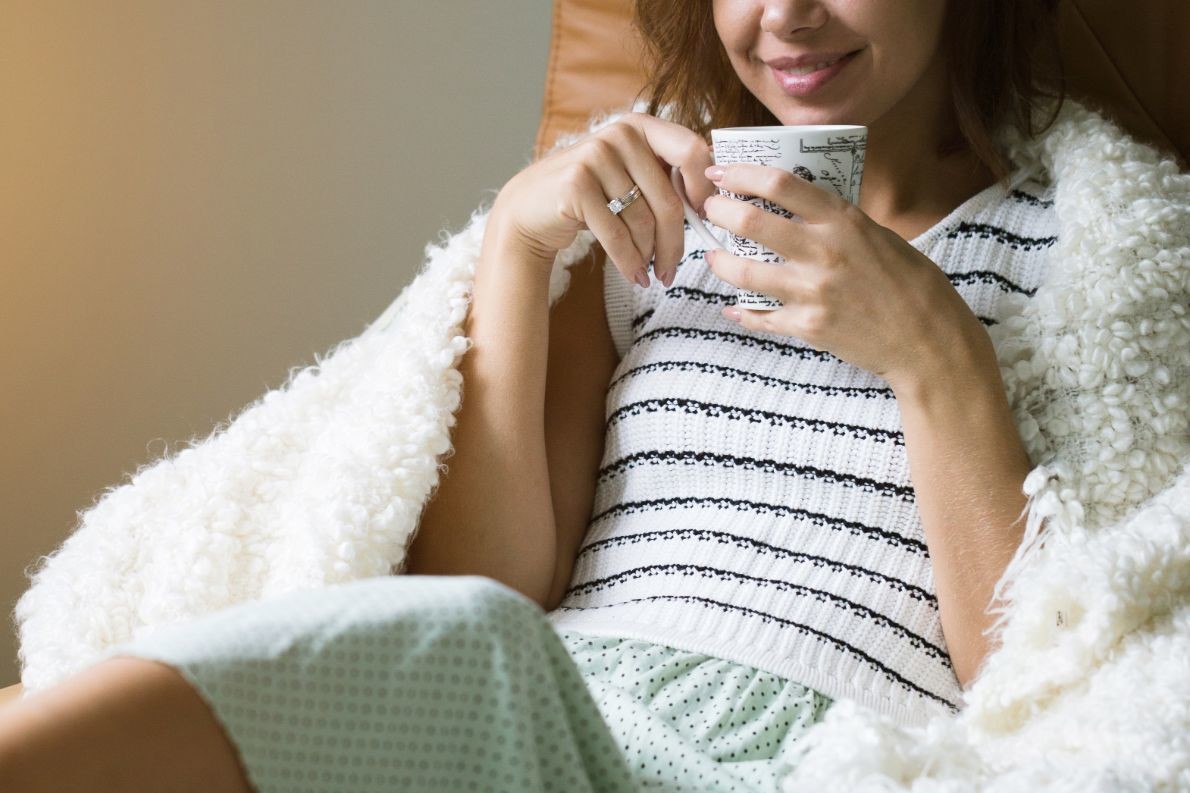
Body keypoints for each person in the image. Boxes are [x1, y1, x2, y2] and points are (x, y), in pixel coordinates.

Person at [0, 0, 1075, 790]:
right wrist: (516, 251)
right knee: (453, 639)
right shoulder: (650, 220)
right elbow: (493, 583)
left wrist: (932, 351)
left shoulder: (1091, 255)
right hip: (545, 715)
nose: (786, 16)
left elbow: (1045, 685)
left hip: (822, 756)